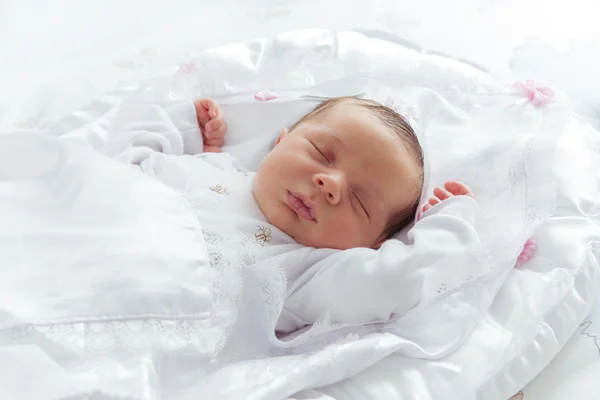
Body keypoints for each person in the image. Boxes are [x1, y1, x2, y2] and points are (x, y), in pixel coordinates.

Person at [104, 95, 480, 332]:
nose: (329, 183)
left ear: (372, 245)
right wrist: (192, 134)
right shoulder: (215, 169)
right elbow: (120, 164)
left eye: (360, 201)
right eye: (321, 152)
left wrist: (449, 223)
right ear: (280, 143)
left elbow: (403, 281)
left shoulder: (305, 273)